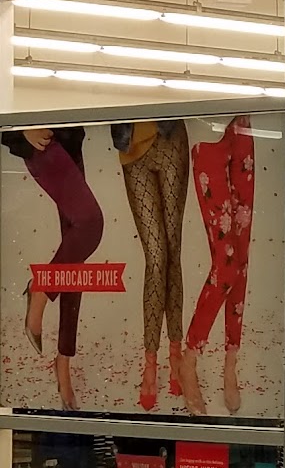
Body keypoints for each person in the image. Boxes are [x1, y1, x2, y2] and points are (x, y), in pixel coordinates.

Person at [4, 127, 103, 411]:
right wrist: (19, 129)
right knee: (91, 224)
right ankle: (39, 289)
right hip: (43, 139)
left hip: (69, 138)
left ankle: (63, 362)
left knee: (73, 261)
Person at [115, 119, 195, 413]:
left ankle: (174, 351)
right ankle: (150, 360)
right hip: (131, 146)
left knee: (172, 251)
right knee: (157, 256)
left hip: (169, 137)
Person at [185, 116, 255, 414]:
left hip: (242, 125)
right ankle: (189, 358)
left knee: (241, 260)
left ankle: (230, 363)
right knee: (226, 266)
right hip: (207, 127)